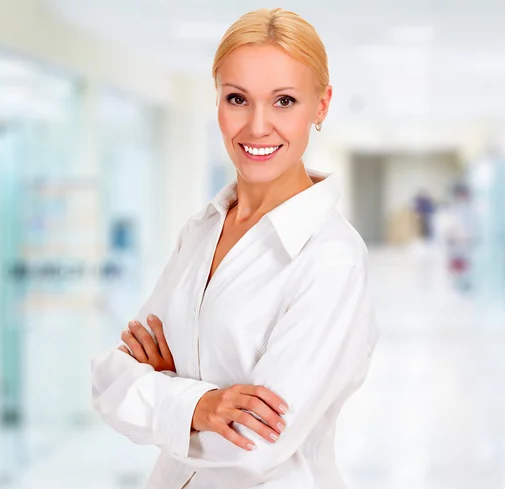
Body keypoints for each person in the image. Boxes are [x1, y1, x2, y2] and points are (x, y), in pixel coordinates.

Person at [91, 8, 379, 489]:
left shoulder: (331, 259)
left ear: (322, 105)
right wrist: (200, 406)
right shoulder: (202, 230)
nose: (257, 126)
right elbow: (109, 378)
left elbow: (252, 448)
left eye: (284, 100)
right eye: (238, 99)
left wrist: (167, 391)